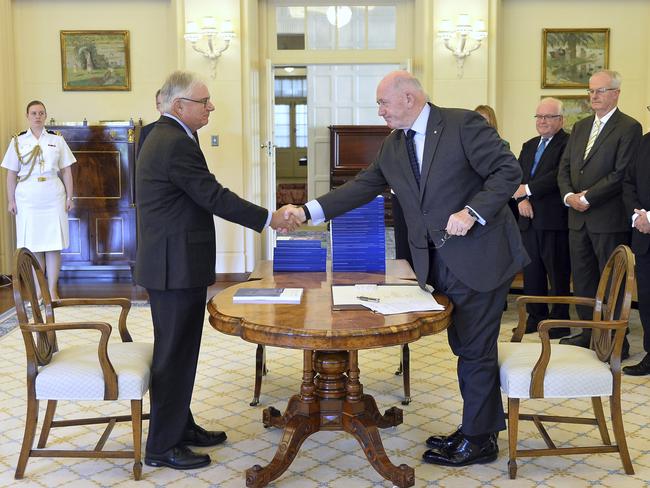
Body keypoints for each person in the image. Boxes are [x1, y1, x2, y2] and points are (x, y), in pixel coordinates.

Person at [286, 70, 528, 467]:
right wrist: (306, 211)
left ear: (409, 98)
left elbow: (508, 172)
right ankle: (475, 428)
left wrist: (473, 212)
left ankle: (481, 440)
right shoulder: (394, 146)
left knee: (475, 350)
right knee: (465, 348)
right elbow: (360, 187)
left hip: (482, 255)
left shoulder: (462, 123)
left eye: (383, 103)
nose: (379, 111)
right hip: (436, 263)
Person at [135, 70, 298, 470]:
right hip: (174, 267)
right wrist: (269, 218)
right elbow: (212, 196)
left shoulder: (163, 134)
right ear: (179, 106)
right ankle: (161, 447)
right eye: (203, 101)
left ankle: (180, 426)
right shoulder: (173, 142)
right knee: (174, 354)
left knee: (182, 351)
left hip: (174, 262)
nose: (210, 107)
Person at [557, 70, 641, 356]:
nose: (594, 96)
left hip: (607, 219)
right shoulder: (580, 127)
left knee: (613, 285)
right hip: (577, 219)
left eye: (600, 91)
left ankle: (617, 341)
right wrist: (569, 196)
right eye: (591, 91)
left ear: (616, 93)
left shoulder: (629, 127)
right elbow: (565, 167)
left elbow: (621, 174)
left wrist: (588, 197)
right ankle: (588, 334)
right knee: (582, 281)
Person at [2, 100, 76, 300]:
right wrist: (11, 200)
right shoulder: (17, 141)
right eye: (33, 113)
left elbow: (67, 171)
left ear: (45, 116)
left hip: (53, 195)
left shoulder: (57, 140)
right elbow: (11, 174)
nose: (37, 116)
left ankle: (51, 290)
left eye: (41, 113)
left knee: (53, 244)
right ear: (27, 116)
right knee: (34, 246)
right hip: (28, 197)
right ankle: (38, 291)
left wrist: (70, 196)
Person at [512, 97, 571, 338]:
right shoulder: (529, 145)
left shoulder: (569, 143)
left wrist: (528, 191)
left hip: (553, 219)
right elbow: (516, 175)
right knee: (533, 272)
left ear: (561, 120)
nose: (542, 121)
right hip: (527, 219)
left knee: (557, 273)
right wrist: (520, 199)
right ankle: (536, 318)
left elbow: (558, 176)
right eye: (539, 117)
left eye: (548, 117)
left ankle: (559, 322)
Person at [622, 127, 650, 375]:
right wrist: (638, 215)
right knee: (648, 301)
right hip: (643, 235)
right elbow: (628, 183)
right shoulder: (644, 142)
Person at [137, 89, 163, 155]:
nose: (164, 106)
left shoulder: (184, 129)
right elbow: (140, 160)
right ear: (157, 106)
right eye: (160, 103)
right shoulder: (146, 131)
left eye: (166, 103)